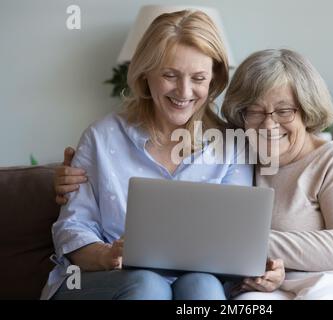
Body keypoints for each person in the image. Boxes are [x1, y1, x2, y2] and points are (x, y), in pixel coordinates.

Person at [41, 10, 255, 300]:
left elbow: (236, 240)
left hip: (197, 282)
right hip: (101, 279)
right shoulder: (101, 138)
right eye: (170, 75)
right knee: (147, 285)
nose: (184, 91)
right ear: (145, 75)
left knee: (202, 286)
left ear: (213, 80)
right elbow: (72, 227)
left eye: (199, 78)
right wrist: (107, 255)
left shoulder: (231, 145)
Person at [221, 49, 333, 299]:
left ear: (306, 110)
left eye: (284, 111)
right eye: (254, 111)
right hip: (278, 287)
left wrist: (252, 244)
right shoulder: (239, 162)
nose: (268, 124)